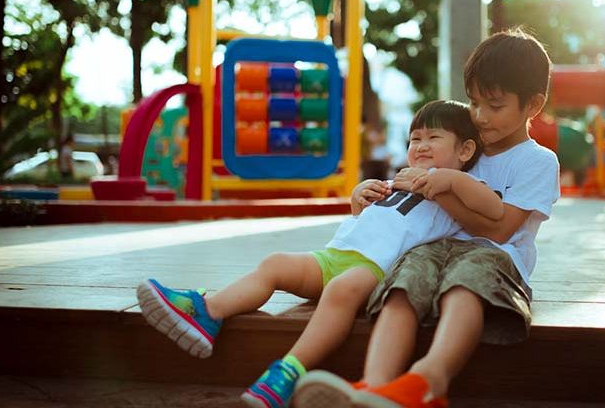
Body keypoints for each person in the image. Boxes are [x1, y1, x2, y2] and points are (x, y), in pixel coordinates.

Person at [135, 100, 505, 408]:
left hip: (376, 271)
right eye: (415, 138)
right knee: (276, 263)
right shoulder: (400, 179)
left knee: (341, 290)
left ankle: (288, 370)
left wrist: (449, 180)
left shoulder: (461, 188)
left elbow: (492, 209)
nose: (421, 145)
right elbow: (376, 219)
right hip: (336, 255)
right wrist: (359, 197)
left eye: (433, 137)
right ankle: (207, 312)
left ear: (465, 150)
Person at [292, 28, 560, 408]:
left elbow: (501, 229)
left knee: (465, 285)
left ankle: (429, 382)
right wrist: (369, 197)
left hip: (495, 255)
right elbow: (409, 191)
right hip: (433, 248)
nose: (480, 117)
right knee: (402, 283)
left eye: (495, 106)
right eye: (474, 103)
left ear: (533, 105)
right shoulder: (466, 147)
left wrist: (439, 188)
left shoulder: (537, 161)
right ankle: (374, 387)